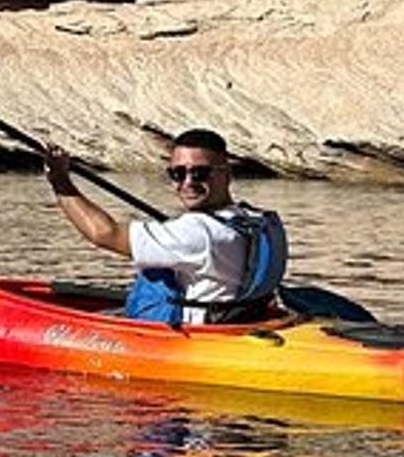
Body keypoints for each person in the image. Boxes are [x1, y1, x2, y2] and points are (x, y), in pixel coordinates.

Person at [42, 128, 282, 326]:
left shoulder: (195, 232)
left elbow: (104, 234)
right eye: (178, 173)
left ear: (227, 174)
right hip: (239, 319)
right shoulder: (251, 218)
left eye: (200, 173)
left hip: (196, 336)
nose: (188, 182)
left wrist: (61, 182)